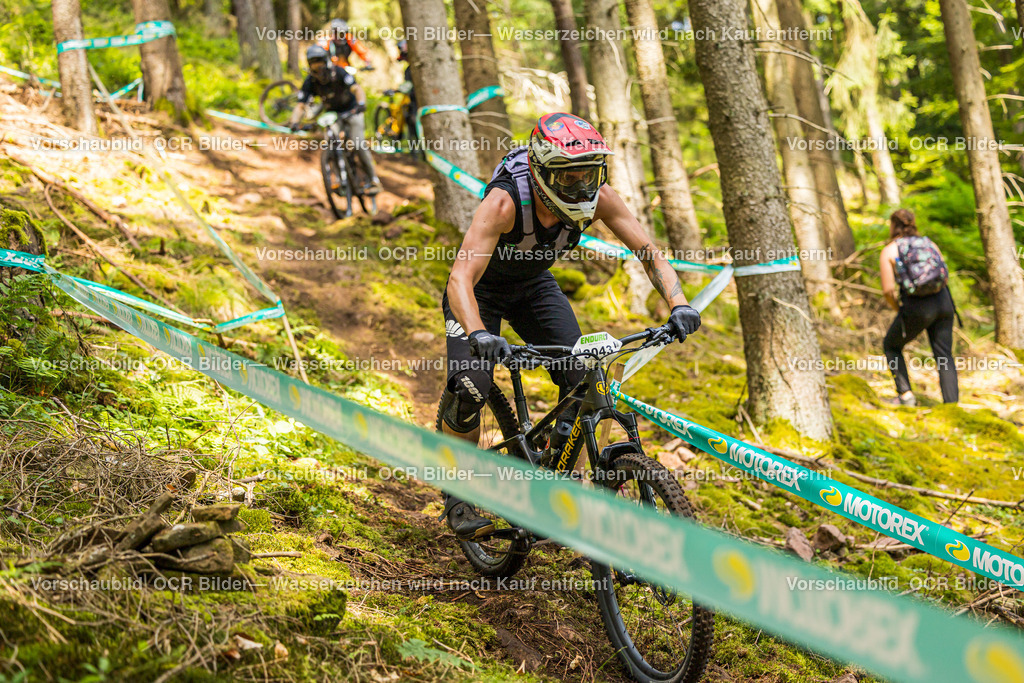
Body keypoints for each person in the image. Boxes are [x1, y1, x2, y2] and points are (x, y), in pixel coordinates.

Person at [439, 112, 702, 540]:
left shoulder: (600, 197)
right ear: (542, 175)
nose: (582, 187)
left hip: (533, 287)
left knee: (583, 376)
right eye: (568, 178)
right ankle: (457, 492)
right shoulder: (505, 203)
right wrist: (480, 334)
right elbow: (459, 280)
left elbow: (648, 251)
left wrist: (679, 304)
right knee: (471, 384)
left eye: (589, 176)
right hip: (479, 294)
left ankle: (555, 485)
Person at [880, 208, 959, 405]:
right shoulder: (928, 243)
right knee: (944, 355)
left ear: (893, 225)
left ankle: (906, 396)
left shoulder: (890, 250)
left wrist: (898, 309)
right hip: (944, 302)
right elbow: (944, 273)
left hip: (917, 307)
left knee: (891, 345)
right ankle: (952, 404)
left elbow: (888, 290)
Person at [288, 45, 381, 195]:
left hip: (352, 110)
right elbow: (300, 105)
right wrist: (294, 123)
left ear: (326, 60)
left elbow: (357, 89)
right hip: (332, 114)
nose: (317, 65)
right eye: (313, 62)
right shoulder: (310, 81)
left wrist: (361, 104)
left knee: (358, 143)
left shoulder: (339, 72)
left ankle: (373, 179)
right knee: (331, 143)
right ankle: (339, 178)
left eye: (319, 61)